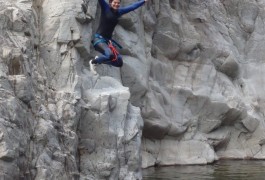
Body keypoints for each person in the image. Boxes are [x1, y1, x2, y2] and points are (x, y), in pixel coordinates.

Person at [89, 0, 148, 74]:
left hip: (107, 42)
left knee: (119, 62)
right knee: (110, 55)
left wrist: (143, 1)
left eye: (118, 3)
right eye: (115, 2)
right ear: (110, 3)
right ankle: (93, 62)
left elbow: (132, 7)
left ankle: (99, 60)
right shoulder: (105, 7)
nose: (116, 4)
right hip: (99, 39)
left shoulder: (119, 12)